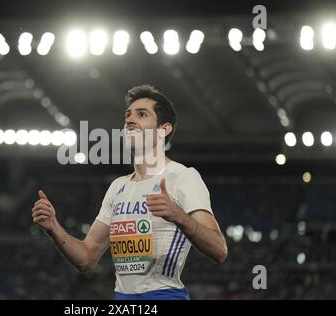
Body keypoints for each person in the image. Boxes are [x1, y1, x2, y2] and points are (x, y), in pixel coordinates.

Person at [32, 84, 227, 300]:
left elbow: (219, 250)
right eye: (128, 115)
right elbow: (87, 258)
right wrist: (53, 227)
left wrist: (178, 216)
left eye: (142, 114)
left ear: (164, 129)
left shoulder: (182, 177)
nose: (129, 120)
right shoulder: (118, 188)